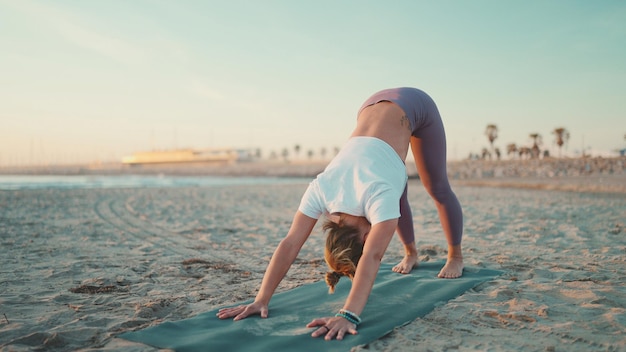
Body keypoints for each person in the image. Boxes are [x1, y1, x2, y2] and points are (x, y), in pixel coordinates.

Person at [217, 87, 464, 341]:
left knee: (437, 187)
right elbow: (290, 243)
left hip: (415, 105)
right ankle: (411, 254)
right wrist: (261, 298)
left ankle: (455, 255)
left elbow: (373, 256)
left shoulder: (375, 195)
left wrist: (349, 315)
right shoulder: (322, 190)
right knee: (395, 192)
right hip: (370, 105)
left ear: (364, 237)